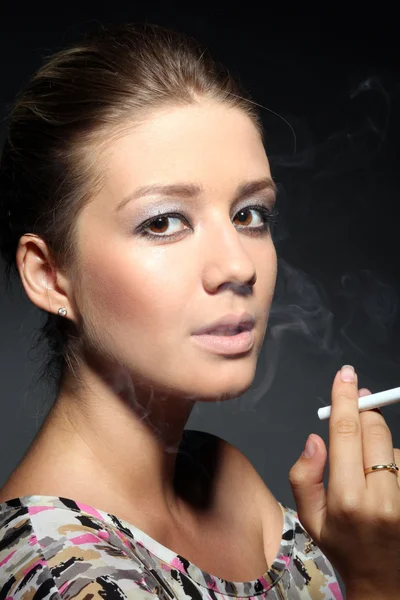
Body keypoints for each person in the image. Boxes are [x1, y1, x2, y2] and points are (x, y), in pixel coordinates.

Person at [0, 22, 399, 600]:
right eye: (163, 222)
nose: (237, 267)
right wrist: (377, 581)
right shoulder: (62, 576)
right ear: (48, 275)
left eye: (249, 215)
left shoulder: (222, 471)